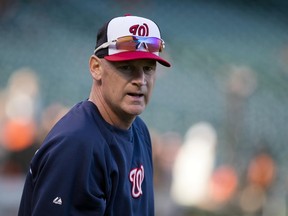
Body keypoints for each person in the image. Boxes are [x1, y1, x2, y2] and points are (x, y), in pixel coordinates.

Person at [18, 14, 171, 216]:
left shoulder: (140, 130)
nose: (140, 80)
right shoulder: (77, 145)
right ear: (96, 68)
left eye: (148, 68)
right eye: (126, 67)